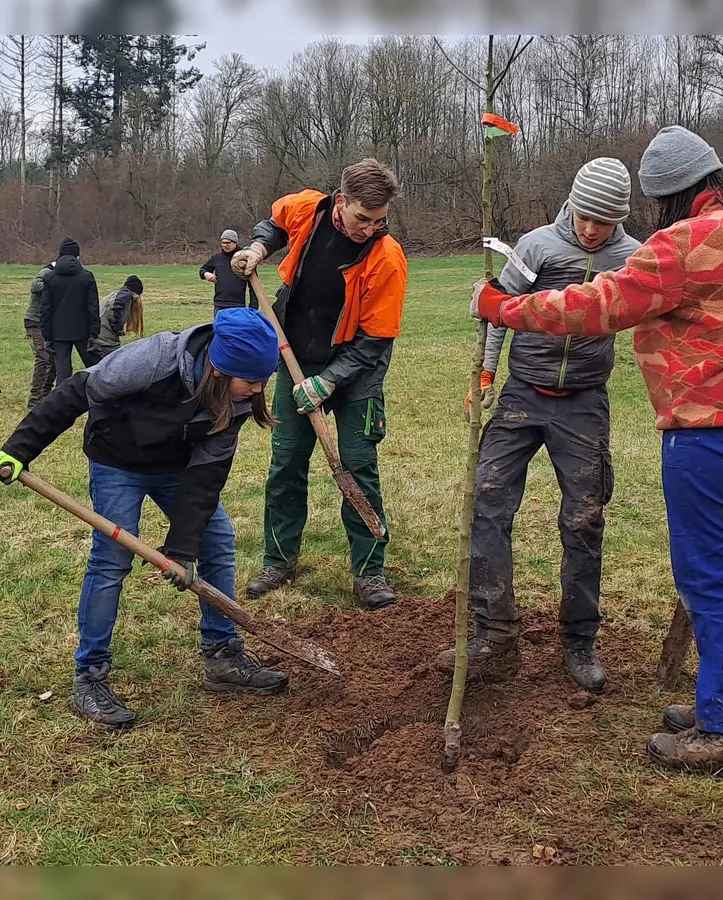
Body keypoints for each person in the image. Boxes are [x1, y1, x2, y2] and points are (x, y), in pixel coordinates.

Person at [468, 126, 723, 776]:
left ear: (669, 196)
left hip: (712, 431)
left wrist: (504, 308)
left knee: (712, 575)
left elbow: (597, 306)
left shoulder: (685, 241)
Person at [0, 307, 287, 729]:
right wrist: (20, 449)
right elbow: (77, 391)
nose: (258, 390)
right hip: (118, 462)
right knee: (111, 560)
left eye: (263, 381)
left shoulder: (237, 400)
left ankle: (222, 654)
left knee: (217, 542)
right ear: (219, 368)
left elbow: (206, 478)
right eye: (251, 380)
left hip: (178, 468)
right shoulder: (154, 359)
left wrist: (181, 549)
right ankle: (90, 676)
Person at [433, 158, 640, 693]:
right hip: (523, 395)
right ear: (571, 204)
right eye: (585, 217)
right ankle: (493, 630)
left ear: (620, 219)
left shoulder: (631, 258)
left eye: (604, 221)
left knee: (584, 520)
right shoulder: (538, 246)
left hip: (584, 404)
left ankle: (579, 640)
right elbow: (498, 310)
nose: (591, 229)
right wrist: (485, 373)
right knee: (487, 500)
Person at [229, 158, 408, 611]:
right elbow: (272, 223)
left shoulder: (387, 258)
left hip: (356, 376)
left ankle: (369, 572)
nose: (370, 228)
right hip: (297, 363)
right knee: (286, 462)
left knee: (357, 465)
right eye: (362, 219)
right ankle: (279, 560)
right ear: (341, 201)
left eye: (380, 220)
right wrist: (257, 249)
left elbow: (375, 342)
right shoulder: (309, 208)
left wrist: (329, 381)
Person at [40, 237, 103, 380]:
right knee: (96, 369)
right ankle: (102, 398)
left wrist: (47, 336)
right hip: (83, 331)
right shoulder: (86, 276)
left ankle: (62, 401)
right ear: (77, 256)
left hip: (58, 332)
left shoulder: (50, 277)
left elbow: (45, 309)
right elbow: (93, 308)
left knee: (62, 374)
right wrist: (94, 334)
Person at [23, 259, 57, 409]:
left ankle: (44, 396)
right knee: (43, 357)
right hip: (34, 321)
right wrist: (55, 286)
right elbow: (35, 286)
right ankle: (34, 399)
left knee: (52, 358)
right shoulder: (46, 272)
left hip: (45, 323)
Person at [199, 229, 259, 314]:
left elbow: (253, 285)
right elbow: (203, 270)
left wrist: (253, 307)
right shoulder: (217, 258)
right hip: (219, 305)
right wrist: (206, 274)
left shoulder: (244, 259)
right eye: (223, 243)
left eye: (228, 243)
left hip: (238, 305)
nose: (225, 245)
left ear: (235, 242)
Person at [92, 275, 145, 359]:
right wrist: (118, 328)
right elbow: (113, 308)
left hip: (98, 337)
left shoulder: (117, 294)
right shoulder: (125, 295)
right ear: (136, 293)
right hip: (105, 341)